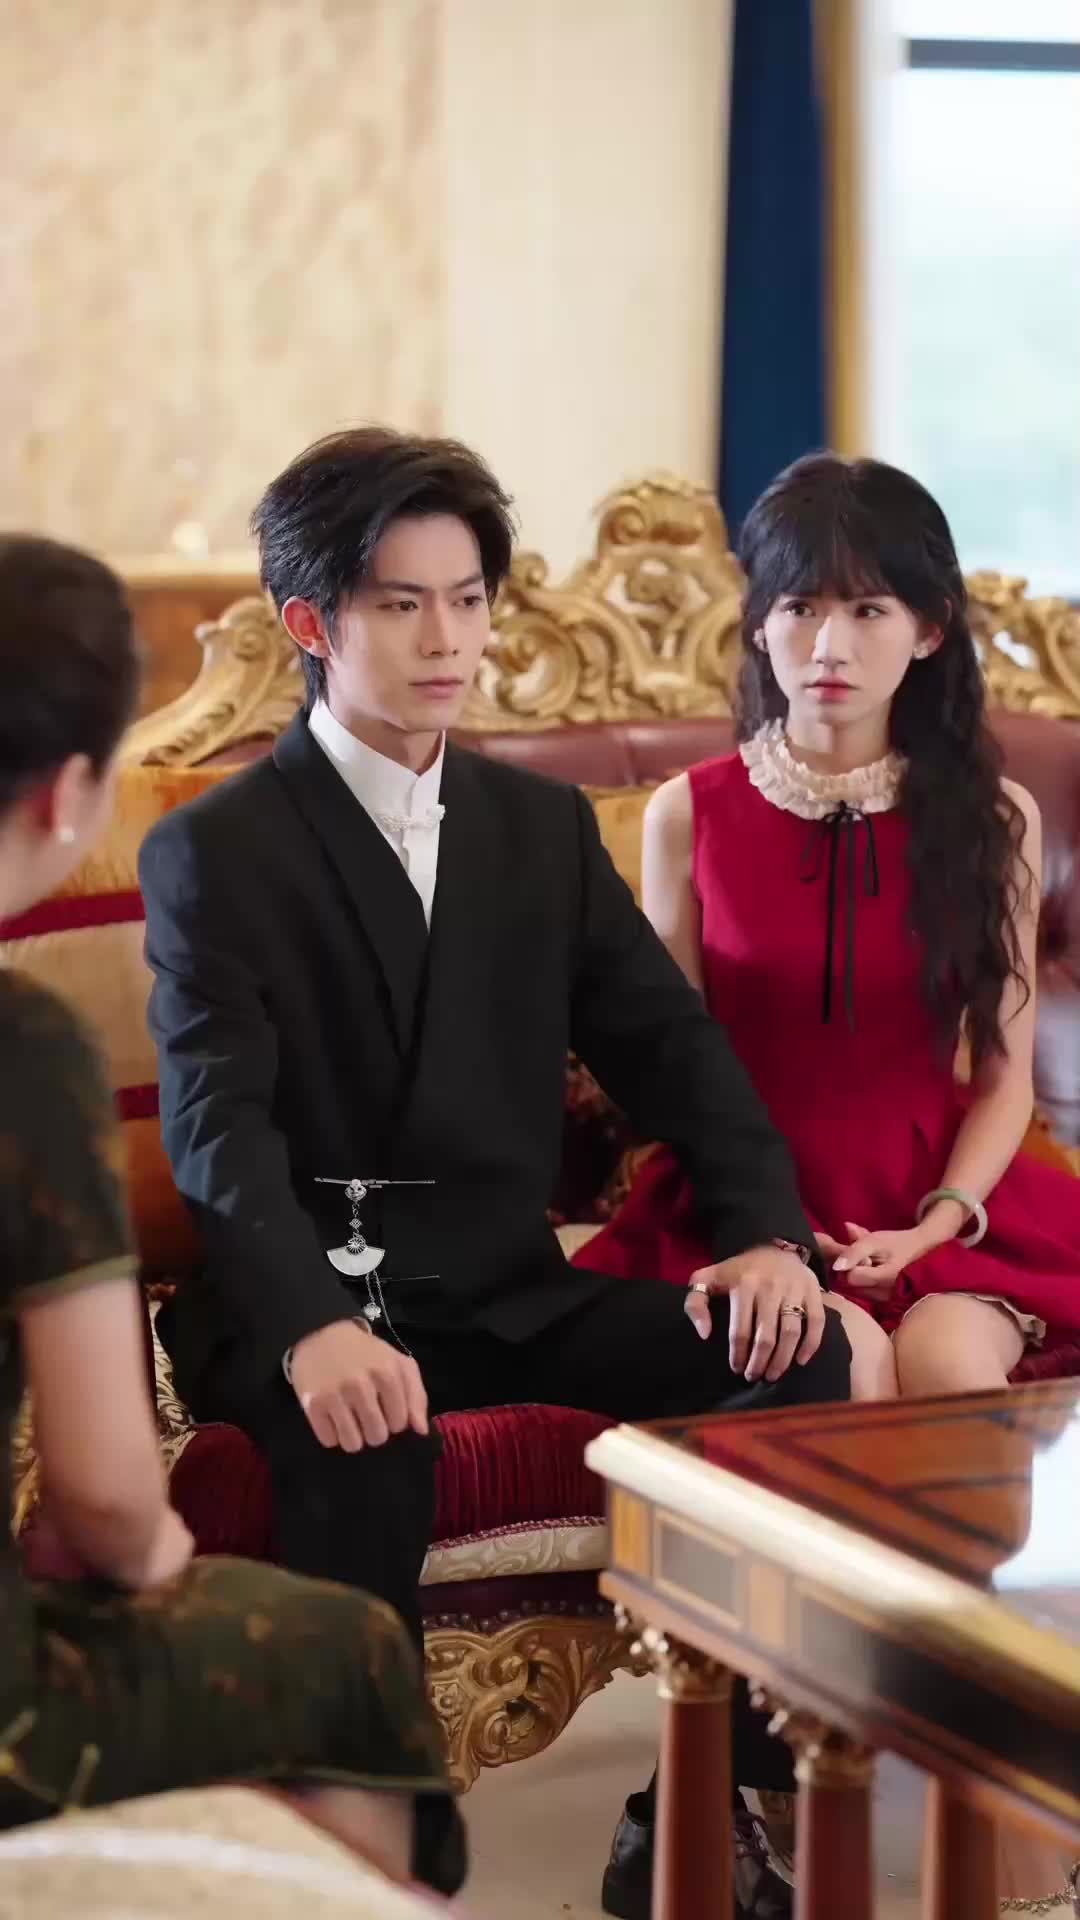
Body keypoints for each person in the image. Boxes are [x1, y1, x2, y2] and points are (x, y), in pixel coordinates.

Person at [138, 427, 854, 1920]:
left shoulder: (535, 827)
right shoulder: (217, 849)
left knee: (802, 1354)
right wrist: (309, 1325)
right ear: (310, 622)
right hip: (313, 1300)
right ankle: (377, 1868)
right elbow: (218, 1131)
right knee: (365, 1437)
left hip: (511, 1293)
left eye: (467, 600)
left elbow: (671, 1049)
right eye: (402, 605)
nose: (447, 640)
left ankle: (709, 1806)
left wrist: (764, 1234)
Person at [0, 533, 464, 1897]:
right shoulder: (24, 1049)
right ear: (72, 792)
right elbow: (103, 1495)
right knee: (350, 1659)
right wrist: (150, 1553)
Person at [576, 450, 1080, 1400]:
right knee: (848, 1364)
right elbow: (673, 1073)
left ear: (928, 630)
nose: (829, 647)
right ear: (759, 625)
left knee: (949, 1366)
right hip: (745, 1210)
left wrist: (940, 1221)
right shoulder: (687, 814)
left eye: (868, 611)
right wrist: (767, 1226)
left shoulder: (997, 820)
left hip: (945, 1205)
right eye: (801, 608)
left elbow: (1005, 1077)